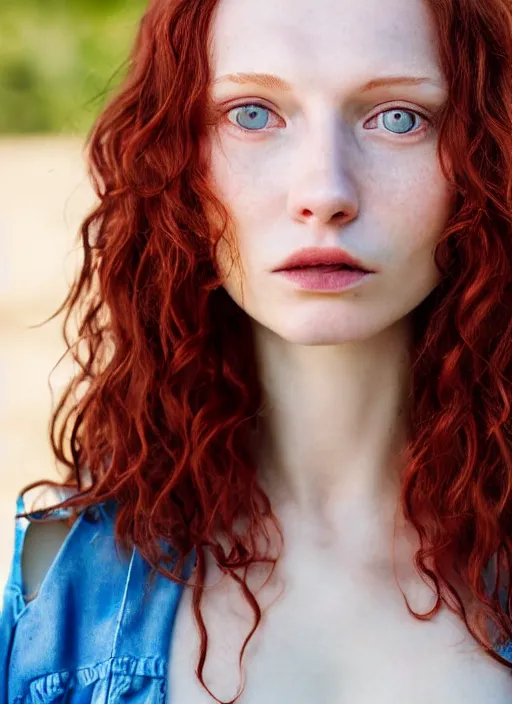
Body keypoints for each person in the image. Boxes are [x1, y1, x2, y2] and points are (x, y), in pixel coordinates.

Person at [2, 0, 512, 701]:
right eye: (251, 114)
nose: (324, 193)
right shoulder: (51, 583)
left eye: (399, 117)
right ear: (175, 162)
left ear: (487, 157)